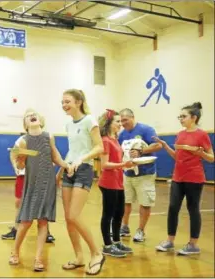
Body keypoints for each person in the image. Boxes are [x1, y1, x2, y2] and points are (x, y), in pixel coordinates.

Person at [8, 109, 69, 271]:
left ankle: (38, 258)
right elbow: (19, 164)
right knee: (26, 221)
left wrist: (66, 165)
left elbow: (55, 156)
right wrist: (19, 160)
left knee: (43, 222)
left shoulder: (49, 137)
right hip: (32, 183)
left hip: (47, 183)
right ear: (25, 124)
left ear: (41, 120)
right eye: (27, 116)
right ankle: (15, 252)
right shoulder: (23, 142)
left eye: (33, 114)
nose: (31, 116)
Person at [154, 102, 214, 255]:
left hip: (194, 177)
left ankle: (193, 244)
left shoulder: (202, 135)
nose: (181, 119)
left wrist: (200, 153)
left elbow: (211, 158)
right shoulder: (180, 134)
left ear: (194, 117)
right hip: (177, 177)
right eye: (179, 116)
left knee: (193, 209)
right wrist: (166, 146)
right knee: (173, 207)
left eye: (184, 116)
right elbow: (177, 156)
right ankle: (170, 241)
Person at [57, 89, 105, 275]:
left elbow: (99, 147)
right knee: (69, 218)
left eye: (67, 101)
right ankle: (79, 257)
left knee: (75, 215)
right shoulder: (69, 125)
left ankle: (96, 253)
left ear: (78, 102)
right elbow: (72, 151)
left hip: (83, 169)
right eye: (62, 102)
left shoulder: (89, 120)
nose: (64, 105)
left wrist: (81, 159)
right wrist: (60, 170)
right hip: (69, 169)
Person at [1, 132, 55, 243]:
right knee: (19, 202)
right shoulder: (21, 140)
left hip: (39, 175)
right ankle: (16, 229)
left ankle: (47, 232)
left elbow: (51, 156)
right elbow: (13, 153)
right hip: (24, 175)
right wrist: (15, 167)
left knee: (42, 203)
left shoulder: (45, 138)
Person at [118, 108, 162, 242]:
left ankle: (141, 230)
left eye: (125, 119)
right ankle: (124, 226)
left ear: (133, 117)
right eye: (121, 121)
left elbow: (158, 145)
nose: (123, 123)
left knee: (145, 202)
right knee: (126, 201)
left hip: (145, 173)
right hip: (128, 173)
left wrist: (141, 150)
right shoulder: (122, 135)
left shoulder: (146, 130)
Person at [98, 109, 134, 258]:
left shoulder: (115, 139)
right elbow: (104, 165)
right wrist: (123, 165)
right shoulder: (105, 140)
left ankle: (117, 241)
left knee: (119, 213)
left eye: (121, 121)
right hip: (108, 182)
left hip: (118, 181)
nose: (121, 124)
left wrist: (126, 163)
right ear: (109, 123)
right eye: (117, 121)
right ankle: (107, 245)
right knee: (108, 214)